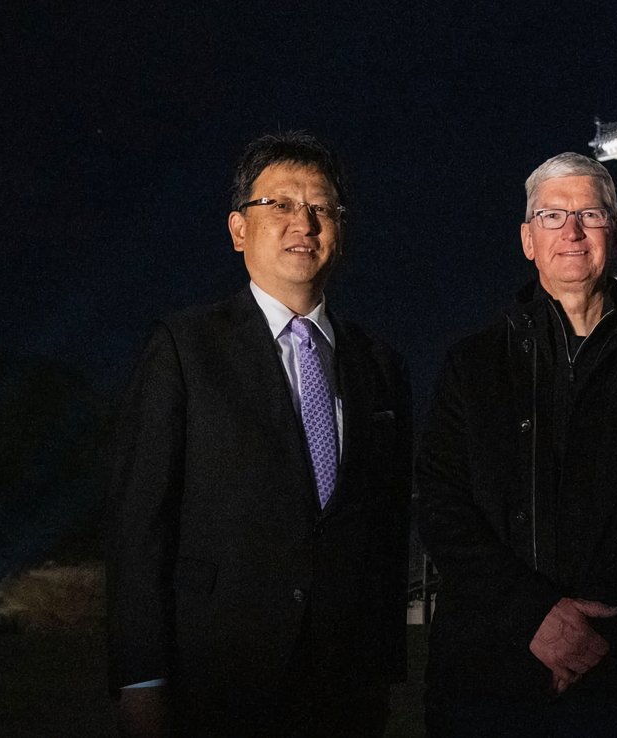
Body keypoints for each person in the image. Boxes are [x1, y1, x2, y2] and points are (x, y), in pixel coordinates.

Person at [106, 131, 413, 737]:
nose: (303, 222)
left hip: (345, 688)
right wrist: (141, 681)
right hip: (218, 678)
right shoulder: (184, 348)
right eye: (279, 205)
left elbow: (385, 528)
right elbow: (139, 524)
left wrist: (383, 670)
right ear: (238, 229)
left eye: (321, 208)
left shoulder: (380, 364)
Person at [416, 152, 617, 737]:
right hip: (487, 676)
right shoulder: (472, 365)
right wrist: (533, 617)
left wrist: (586, 631)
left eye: (590, 214)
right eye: (552, 216)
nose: (572, 232)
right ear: (528, 240)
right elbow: (442, 508)